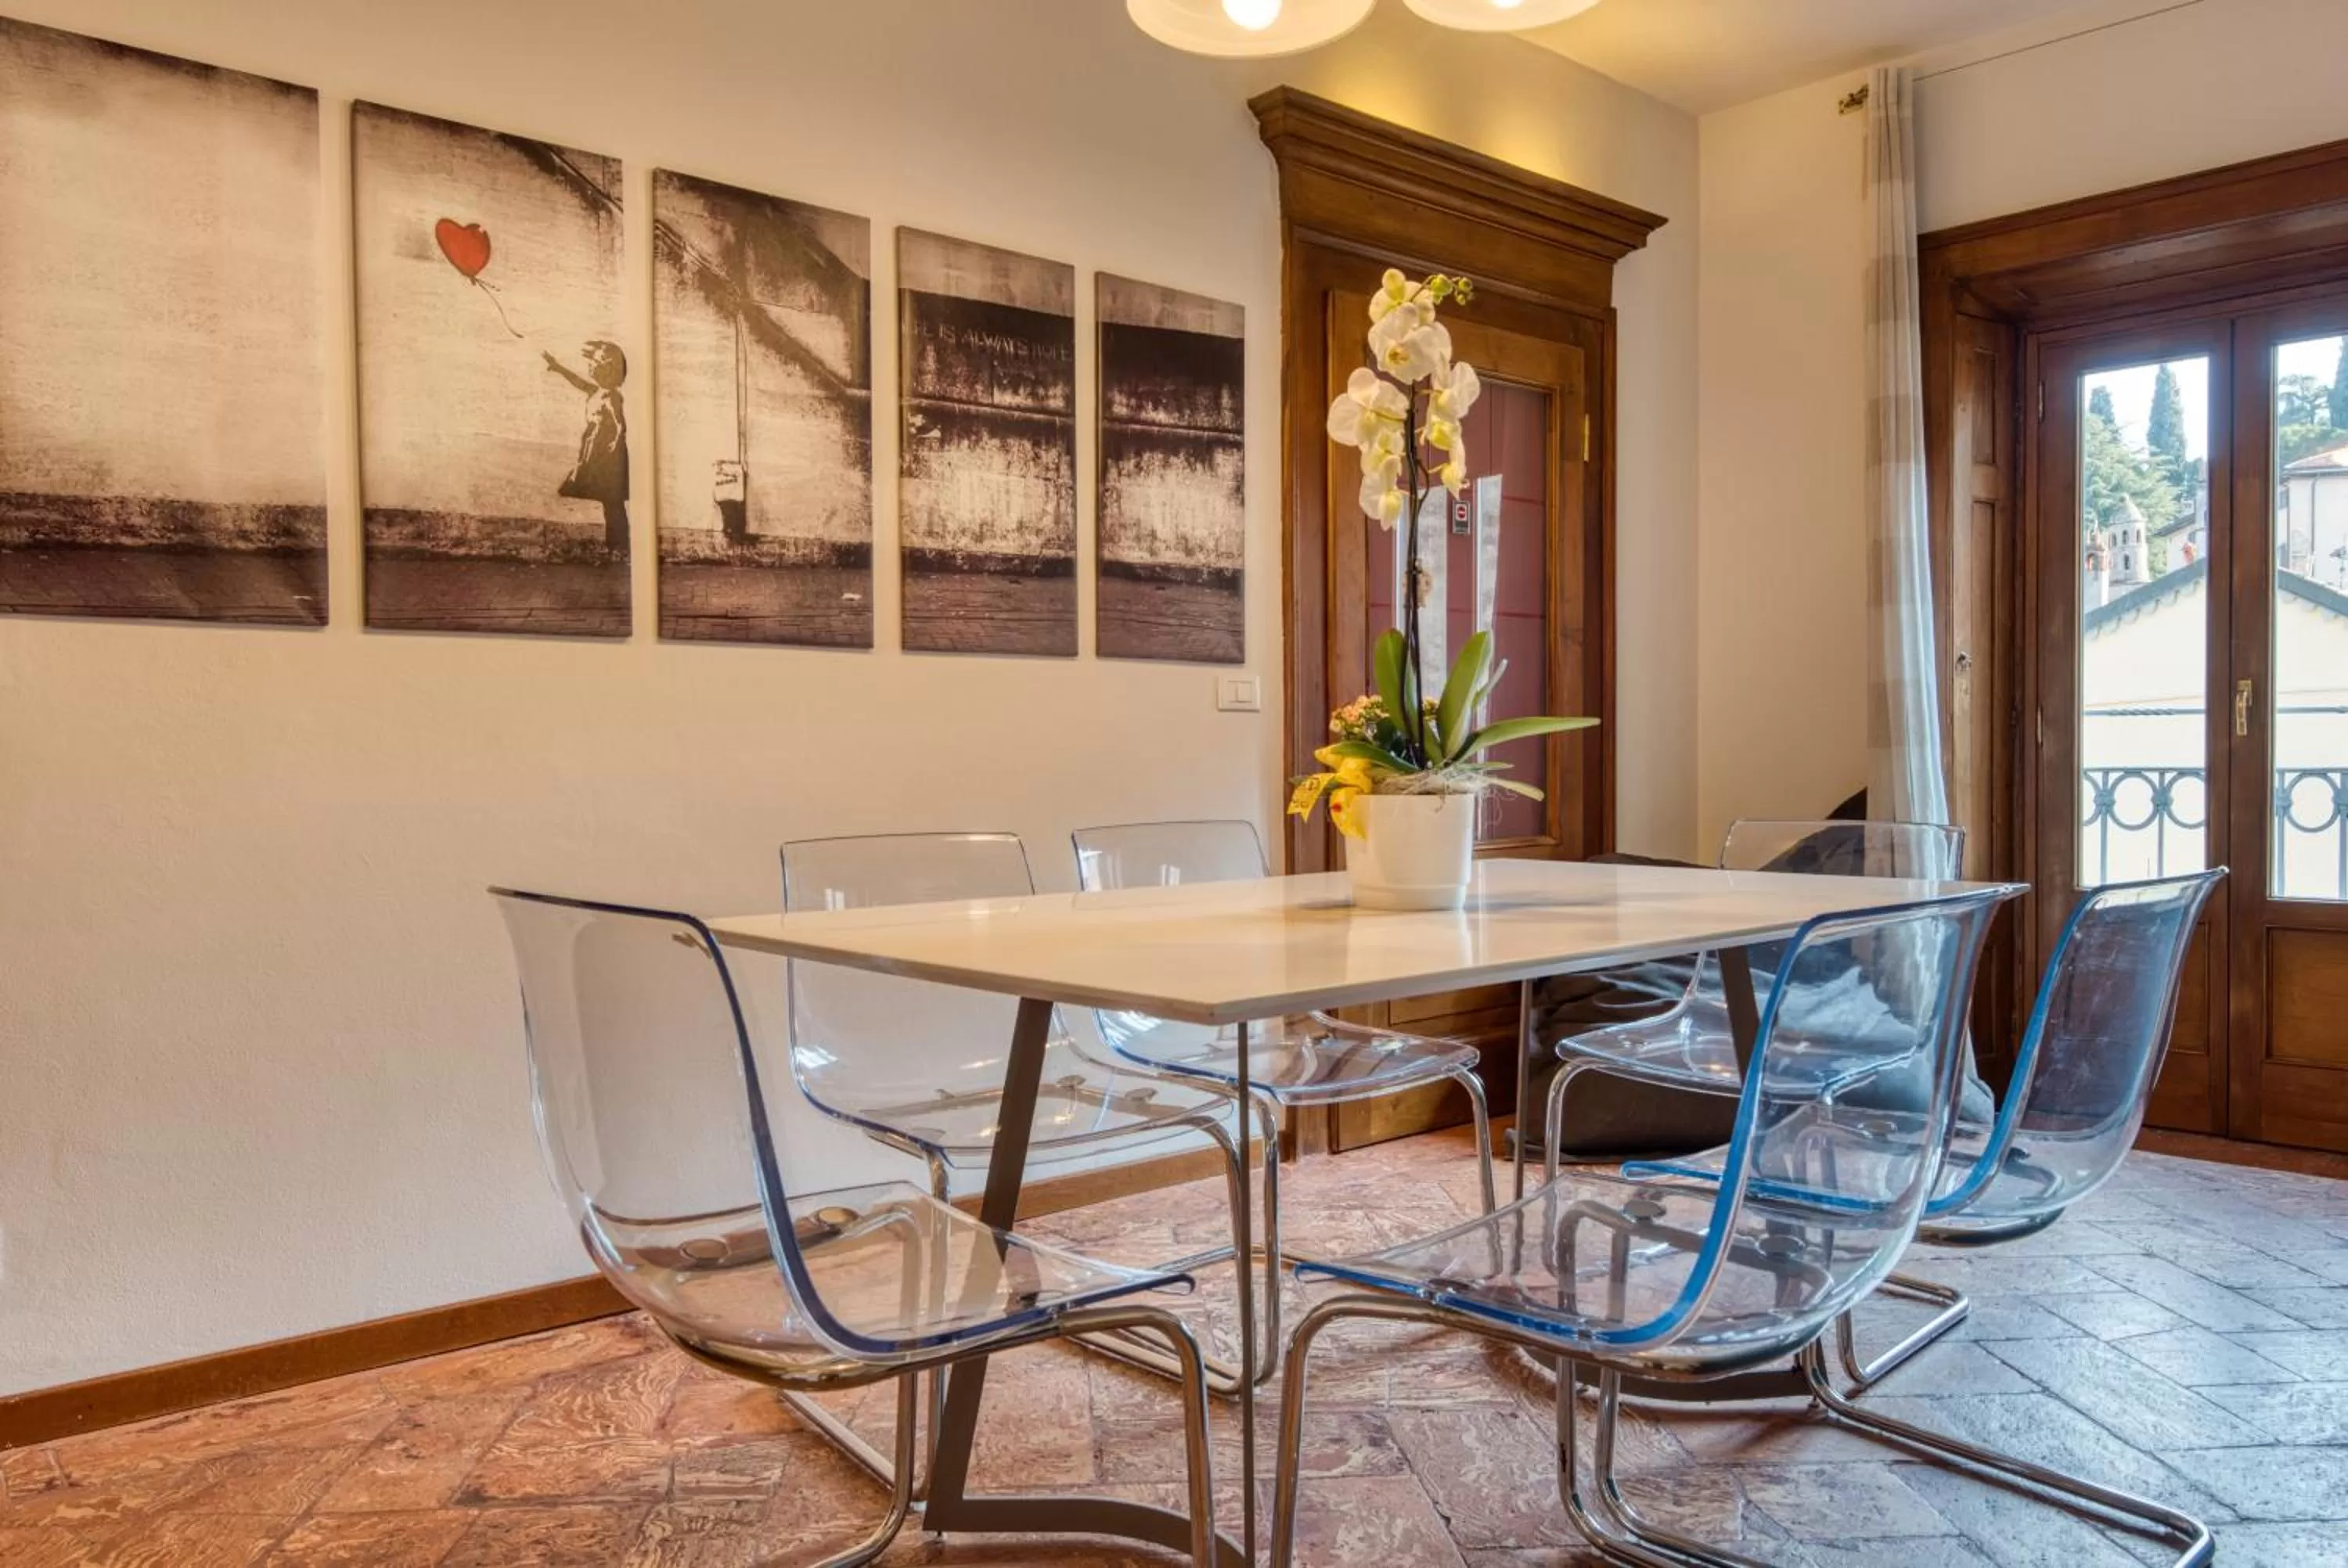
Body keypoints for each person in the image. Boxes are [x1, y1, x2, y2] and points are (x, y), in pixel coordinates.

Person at [546, 340, 630, 554]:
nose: (590, 367)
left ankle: (619, 545)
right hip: (594, 444)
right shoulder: (596, 391)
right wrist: (557, 367)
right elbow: (577, 381)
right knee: (609, 500)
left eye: (595, 363)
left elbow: (621, 424)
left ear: (608, 369)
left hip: (606, 450)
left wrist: (614, 444)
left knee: (612, 501)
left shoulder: (611, 396)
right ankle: (617, 545)